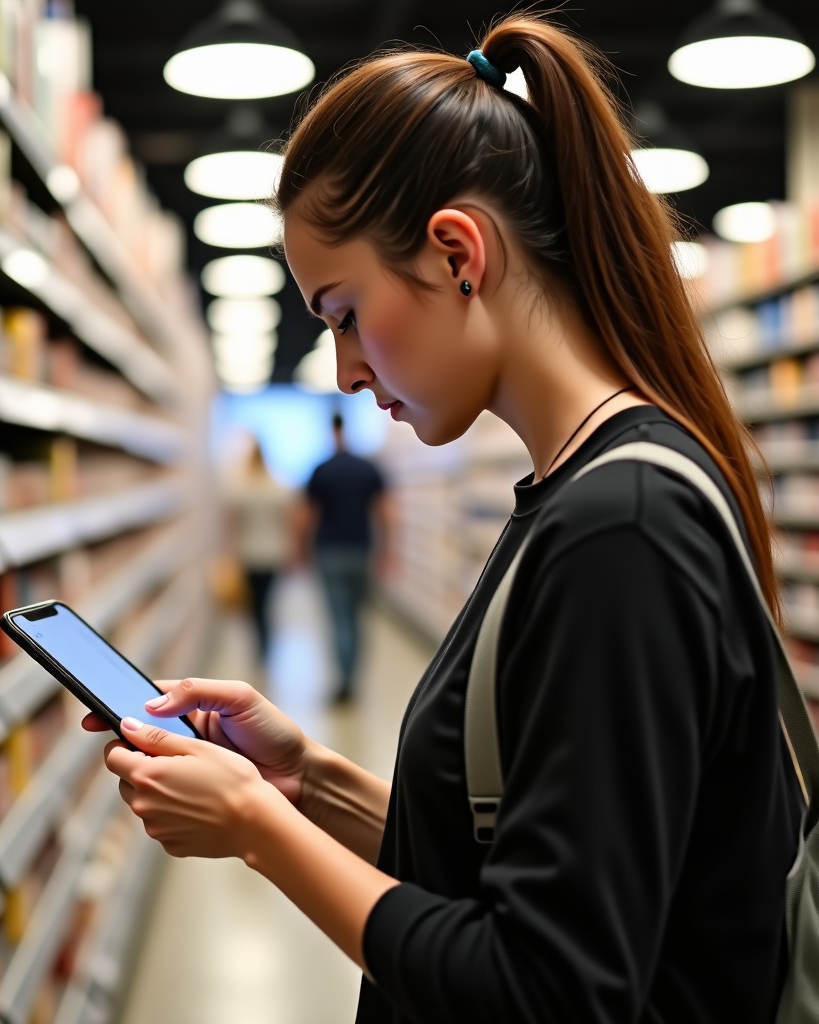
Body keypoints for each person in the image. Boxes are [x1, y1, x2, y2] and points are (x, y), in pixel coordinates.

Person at [84, 14, 804, 1023]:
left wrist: (256, 828)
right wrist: (306, 782)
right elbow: (518, 870)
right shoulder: (578, 495)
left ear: (458, 252)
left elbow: (548, 991)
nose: (343, 369)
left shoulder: (620, 527)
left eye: (342, 312)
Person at [297, 412, 390, 703]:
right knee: (357, 616)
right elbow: (385, 513)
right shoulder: (368, 469)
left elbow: (307, 516)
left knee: (338, 618)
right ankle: (353, 677)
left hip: (329, 552)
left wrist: (301, 550)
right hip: (361, 550)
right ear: (346, 429)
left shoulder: (321, 470)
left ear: (331, 431)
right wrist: (387, 550)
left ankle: (345, 681)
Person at [221, 436, 295, 661]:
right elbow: (287, 522)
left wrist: (230, 553)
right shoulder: (277, 487)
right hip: (273, 554)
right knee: (266, 603)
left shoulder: (241, 488)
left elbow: (233, 525)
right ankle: (265, 646)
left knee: (254, 606)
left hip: (249, 554)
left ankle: (260, 648)